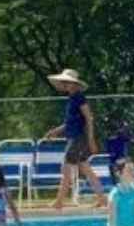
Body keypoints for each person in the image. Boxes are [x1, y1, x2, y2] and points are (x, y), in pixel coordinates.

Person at [45, 68, 106, 209]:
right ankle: (102, 198)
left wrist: (91, 140)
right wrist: (55, 131)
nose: (65, 84)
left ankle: (59, 202)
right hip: (75, 137)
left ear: (74, 84)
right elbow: (69, 123)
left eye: (67, 82)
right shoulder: (71, 99)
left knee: (66, 168)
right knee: (86, 169)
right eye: (63, 82)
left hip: (78, 139)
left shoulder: (79, 98)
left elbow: (89, 118)